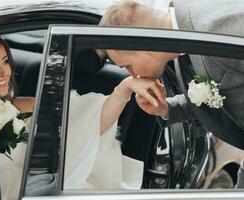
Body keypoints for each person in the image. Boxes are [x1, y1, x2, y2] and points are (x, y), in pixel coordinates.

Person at [0, 36, 165, 198]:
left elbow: (92, 122)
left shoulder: (26, 106)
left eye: (5, 62)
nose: (2, 72)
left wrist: (127, 86)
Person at [98, 0, 244, 188]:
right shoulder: (182, 49)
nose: (132, 75)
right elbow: (221, 96)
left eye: (127, 66)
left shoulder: (216, 26)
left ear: (142, 46)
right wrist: (167, 108)